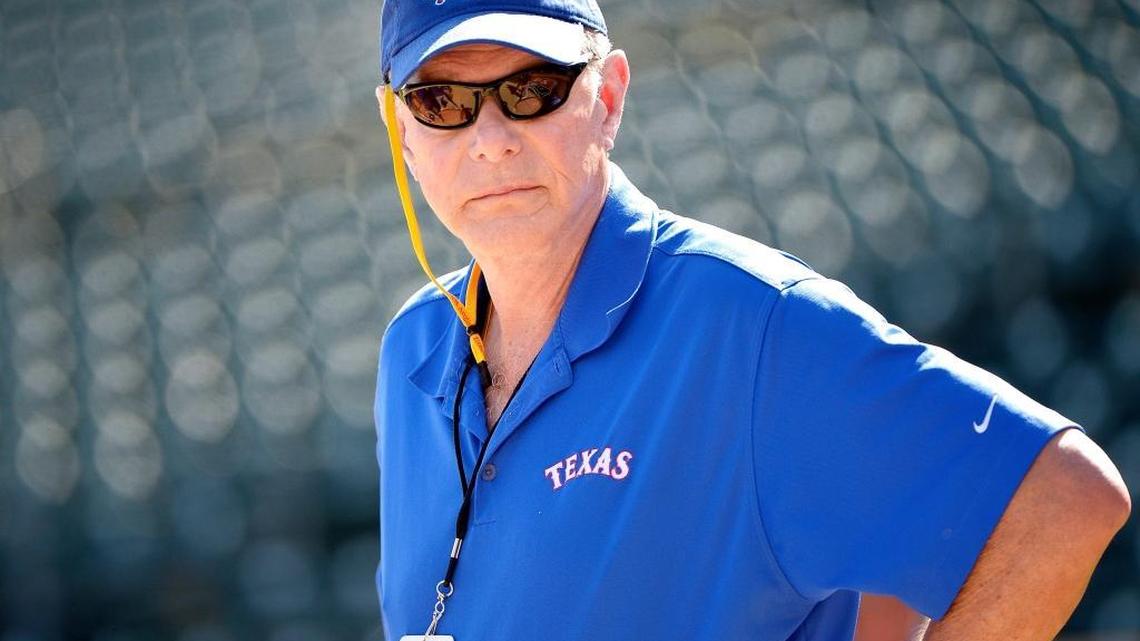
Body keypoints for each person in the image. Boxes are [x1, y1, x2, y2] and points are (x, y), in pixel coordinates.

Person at [371, 1, 1132, 639]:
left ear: (606, 100)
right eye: (442, 102)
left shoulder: (754, 324)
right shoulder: (412, 347)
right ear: (401, 129)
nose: (491, 139)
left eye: (532, 88)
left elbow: (1064, 499)